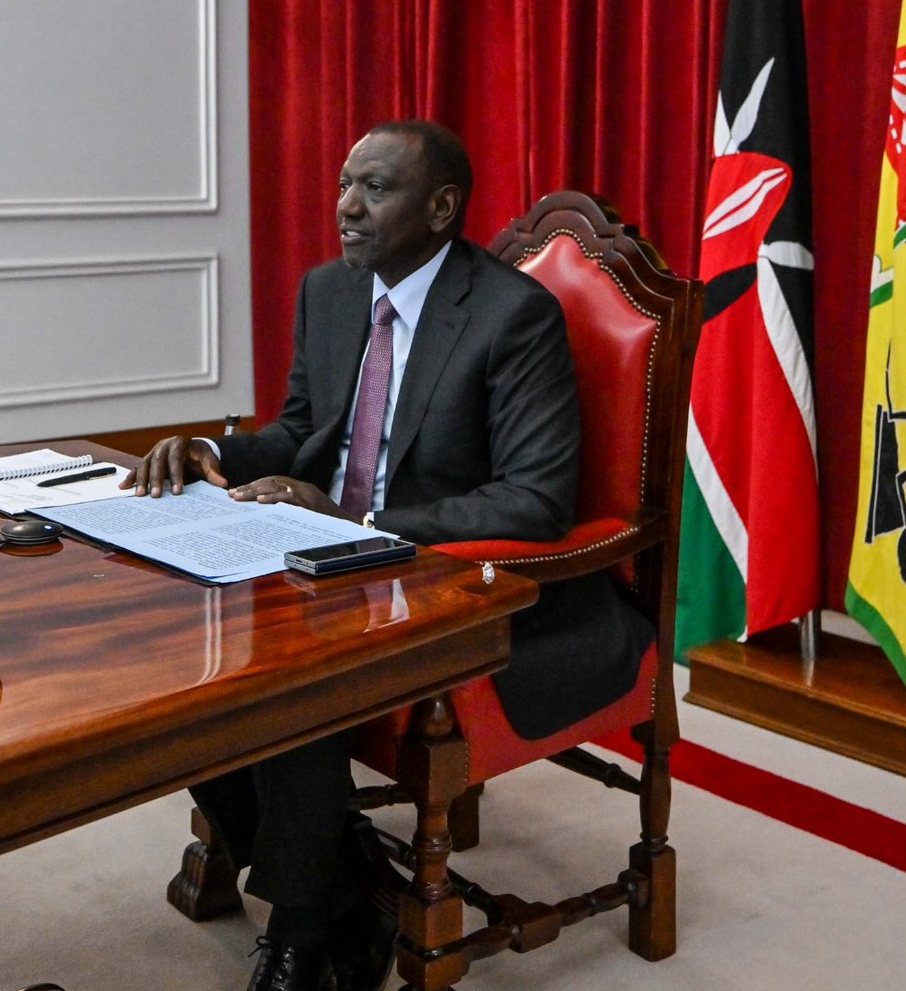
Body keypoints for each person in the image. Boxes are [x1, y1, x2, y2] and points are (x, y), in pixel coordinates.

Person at [124, 120, 648, 991]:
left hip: (457, 578)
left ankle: (301, 929)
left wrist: (358, 519)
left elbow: (536, 498)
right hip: (326, 555)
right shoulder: (331, 292)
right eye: (343, 185)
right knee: (184, 641)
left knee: (290, 677)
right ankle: (345, 876)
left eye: (374, 188)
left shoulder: (513, 315)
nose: (345, 207)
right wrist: (210, 455)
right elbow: (303, 431)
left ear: (442, 208)